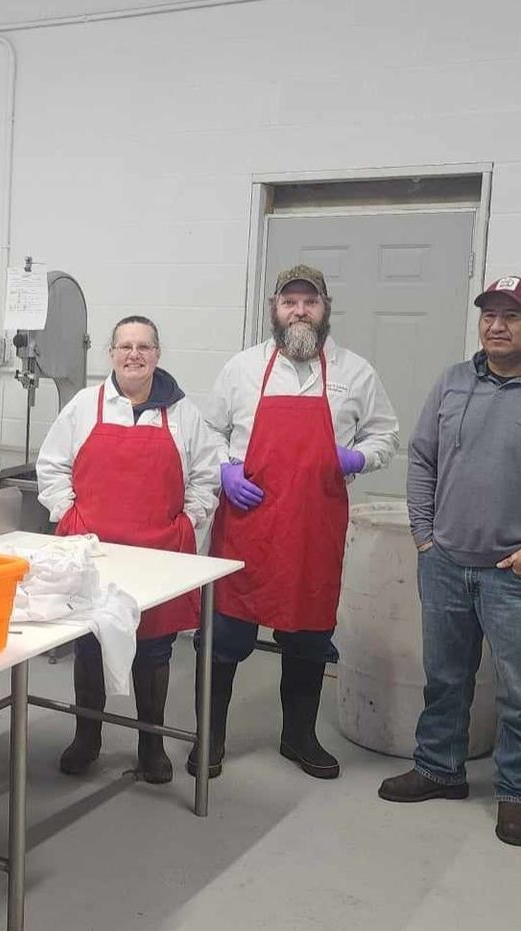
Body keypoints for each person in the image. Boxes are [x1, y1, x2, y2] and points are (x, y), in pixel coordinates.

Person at [378, 275, 521, 848]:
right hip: (446, 562)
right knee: (446, 678)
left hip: (518, 575)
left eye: (512, 315)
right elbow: (422, 459)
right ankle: (438, 768)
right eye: (489, 315)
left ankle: (517, 794)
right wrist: (425, 535)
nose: (497, 325)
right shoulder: (454, 383)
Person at [197, 264, 400, 781]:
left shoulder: (356, 372)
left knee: (309, 639)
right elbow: (206, 433)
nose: (300, 311)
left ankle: (298, 737)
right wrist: (224, 468)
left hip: (314, 529)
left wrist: (358, 459)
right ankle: (210, 737)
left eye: (310, 302)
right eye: (290, 302)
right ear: (274, 310)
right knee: (224, 638)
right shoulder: (242, 369)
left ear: (325, 309)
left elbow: (385, 436)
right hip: (246, 526)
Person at [36, 315, 221, 784]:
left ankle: (151, 743)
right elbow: (52, 466)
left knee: (154, 650)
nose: (133, 354)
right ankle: (87, 737)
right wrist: (69, 516)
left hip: (158, 553)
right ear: (111, 354)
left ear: (158, 354)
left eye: (143, 346)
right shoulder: (85, 406)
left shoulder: (182, 413)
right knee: (91, 643)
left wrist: (190, 518)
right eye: (124, 346)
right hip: (94, 553)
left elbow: (205, 474)